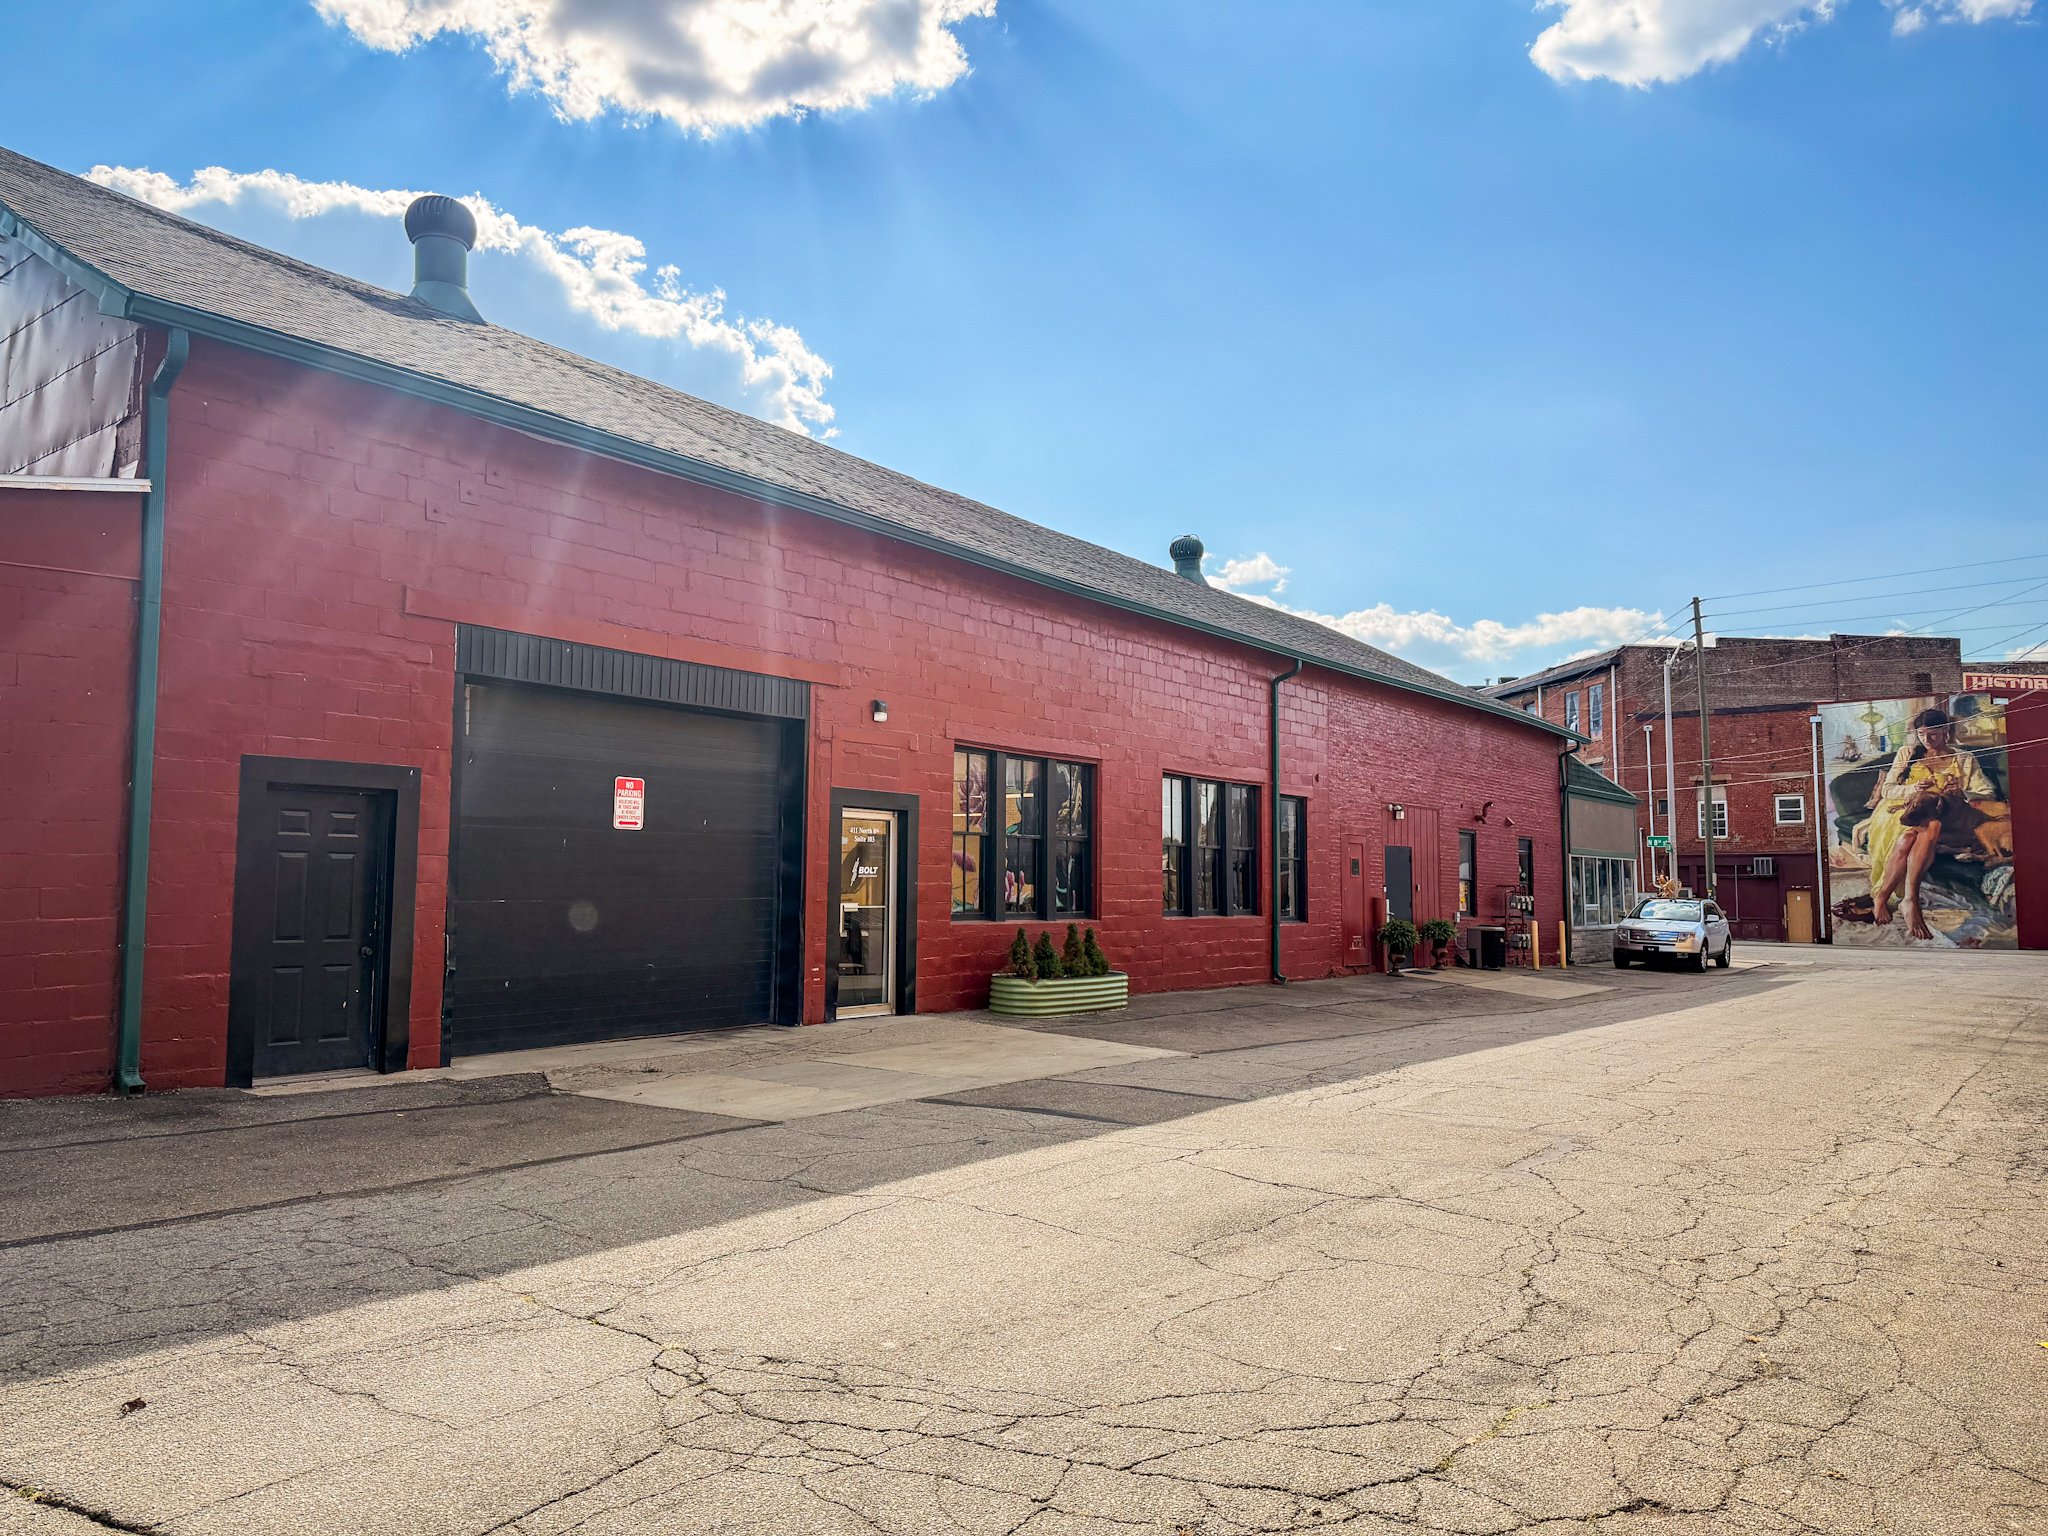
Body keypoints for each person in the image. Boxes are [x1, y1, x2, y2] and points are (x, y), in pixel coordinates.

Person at [1864, 707, 1996, 941]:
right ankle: (1909, 900)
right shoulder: (1908, 753)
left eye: (1932, 734)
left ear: (1945, 730)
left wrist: (1963, 791)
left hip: (1948, 813)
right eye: (1922, 735)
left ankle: (1885, 897)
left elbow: (1987, 793)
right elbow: (1888, 790)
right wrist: (1914, 788)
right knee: (1920, 829)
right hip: (1909, 809)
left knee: (1926, 827)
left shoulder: (1964, 758)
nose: (1926, 740)